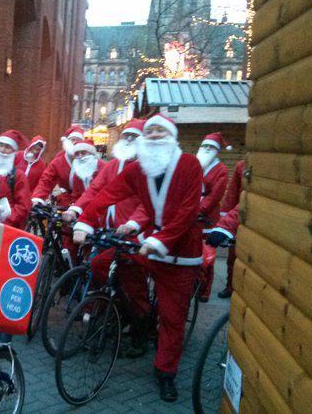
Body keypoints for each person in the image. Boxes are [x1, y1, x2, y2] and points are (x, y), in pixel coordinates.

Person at [72, 114, 203, 402]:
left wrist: (161, 240)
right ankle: (141, 317)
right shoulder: (138, 169)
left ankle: (165, 372)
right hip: (148, 242)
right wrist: (85, 221)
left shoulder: (189, 165)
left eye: (161, 131)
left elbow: (188, 211)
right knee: (109, 261)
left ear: (172, 137)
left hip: (180, 253)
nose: (154, 135)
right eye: (150, 131)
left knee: (172, 317)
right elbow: (108, 194)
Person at [62, 119, 144, 226]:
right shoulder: (112, 165)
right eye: (126, 135)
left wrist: (134, 223)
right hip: (106, 225)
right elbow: (94, 189)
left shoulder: (145, 168)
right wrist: (75, 209)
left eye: (134, 136)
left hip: (133, 229)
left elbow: (147, 204)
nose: (129, 139)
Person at [196, 133, 230, 302]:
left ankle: (205, 289)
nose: (207, 149)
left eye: (211, 147)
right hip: (191, 211)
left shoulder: (221, 169)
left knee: (207, 254)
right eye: (205, 146)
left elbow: (216, 195)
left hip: (207, 216)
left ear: (216, 151)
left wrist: (200, 209)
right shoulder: (196, 164)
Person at [31, 126, 84, 207]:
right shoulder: (58, 162)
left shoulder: (90, 161)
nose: (75, 143)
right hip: (66, 200)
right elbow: (46, 180)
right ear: (67, 141)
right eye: (73, 140)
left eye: (78, 140)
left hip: (85, 201)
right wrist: (38, 198)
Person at [216, 159, 244, 298]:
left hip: (246, 216)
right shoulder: (241, 165)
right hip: (237, 220)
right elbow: (232, 195)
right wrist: (225, 224)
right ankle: (230, 286)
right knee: (232, 257)